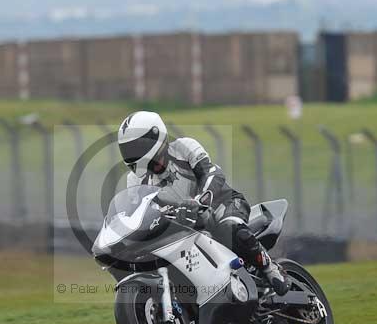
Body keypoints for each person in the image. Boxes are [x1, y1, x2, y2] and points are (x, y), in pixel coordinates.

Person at [117, 110, 289, 296]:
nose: (131, 154)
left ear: (154, 136)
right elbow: (137, 212)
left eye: (135, 147)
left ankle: (270, 268)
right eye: (127, 149)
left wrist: (199, 200)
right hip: (184, 226)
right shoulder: (134, 180)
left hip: (223, 203)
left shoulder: (183, 147)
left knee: (229, 229)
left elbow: (212, 173)